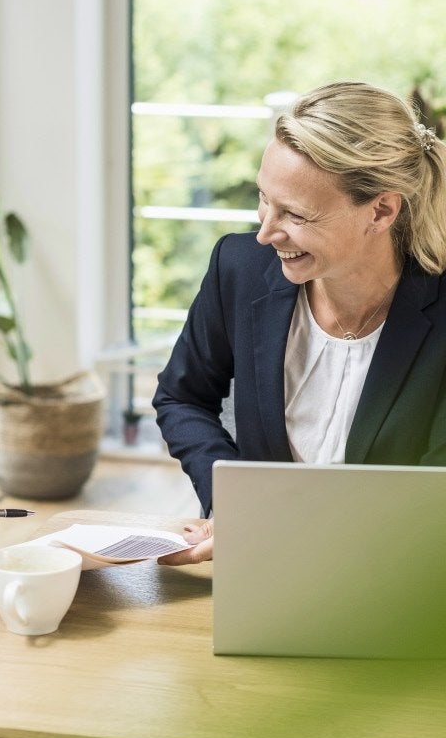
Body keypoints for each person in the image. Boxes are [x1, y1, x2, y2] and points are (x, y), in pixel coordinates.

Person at [153, 81, 446, 561]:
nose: (265, 232)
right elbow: (181, 397)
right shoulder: (238, 269)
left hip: (401, 569)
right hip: (263, 563)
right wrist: (232, 504)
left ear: (381, 210)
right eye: (264, 198)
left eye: (295, 214)